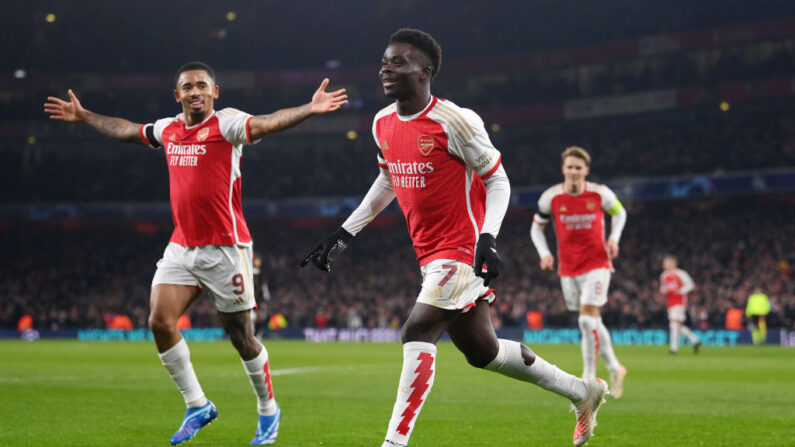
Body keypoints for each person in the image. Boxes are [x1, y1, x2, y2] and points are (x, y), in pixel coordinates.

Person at [301, 29, 608, 447]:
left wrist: (488, 238)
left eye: (398, 62)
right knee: (484, 352)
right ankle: (581, 391)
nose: (386, 69)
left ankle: (394, 443)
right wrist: (344, 234)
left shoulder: (455, 120)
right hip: (429, 255)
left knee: (416, 330)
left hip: (462, 250)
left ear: (425, 72)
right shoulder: (382, 123)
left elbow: (497, 180)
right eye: (384, 61)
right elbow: (387, 179)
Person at [44, 62, 347, 445]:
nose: (195, 91)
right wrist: (85, 115)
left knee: (242, 338)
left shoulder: (227, 124)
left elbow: (268, 122)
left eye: (202, 85)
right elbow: (126, 130)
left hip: (226, 248)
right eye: (187, 86)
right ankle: (197, 404)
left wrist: (308, 108)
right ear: (178, 95)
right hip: (182, 246)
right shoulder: (168, 129)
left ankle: (268, 410)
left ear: (215, 92)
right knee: (159, 320)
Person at [530, 146, 628, 399]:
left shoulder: (600, 194)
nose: (574, 171)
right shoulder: (550, 197)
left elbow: (620, 213)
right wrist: (544, 254)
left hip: (598, 263)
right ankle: (616, 368)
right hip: (568, 268)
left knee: (586, 320)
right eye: (570, 167)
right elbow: (536, 229)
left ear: (586, 170)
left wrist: (614, 239)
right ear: (564, 169)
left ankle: (588, 379)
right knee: (592, 320)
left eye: (578, 167)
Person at [660, 255, 701, 354]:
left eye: (666, 263)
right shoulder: (663, 275)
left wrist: (680, 291)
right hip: (670, 302)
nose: (664, 265)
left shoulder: (681, 273)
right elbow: (663, 288)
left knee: (674, 324)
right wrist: (664, 291)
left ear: (673, 264)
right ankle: (695, 340)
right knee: (678, 325)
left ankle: (674, 348)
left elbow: (690, 285)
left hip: (679, 302)